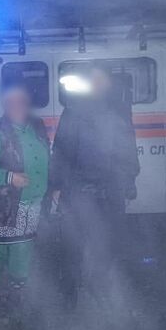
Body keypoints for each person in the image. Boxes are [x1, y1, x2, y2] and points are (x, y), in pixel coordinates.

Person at [49, 62, 140, 307]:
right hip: (78, 188)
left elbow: (128, 147)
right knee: (73, 242)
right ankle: (71, 292)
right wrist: (56, 184)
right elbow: (61, 149)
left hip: (111, 188)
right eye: (94, 79)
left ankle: (100, 286)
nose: (99, 84)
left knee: (108, 242)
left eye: (102, 79)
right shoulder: (73, 109)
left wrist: (130, 179)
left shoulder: (120, 109)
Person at [0, 85, 50, 303]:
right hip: (2, 204)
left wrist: (53, 187)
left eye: (21, 100)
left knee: (23, 248)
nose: (17, 105)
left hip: (32, 202)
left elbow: (47, 158)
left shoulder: (37, 127)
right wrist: (9, 177)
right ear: (5, 105)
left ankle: (18, 285)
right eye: (11, 101)